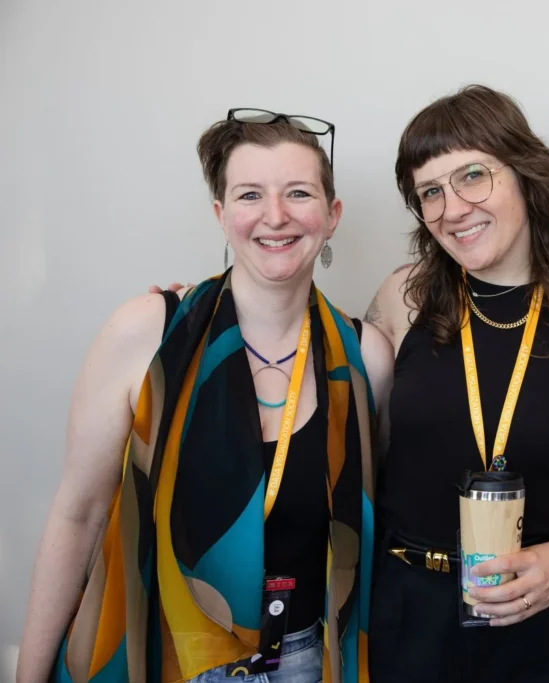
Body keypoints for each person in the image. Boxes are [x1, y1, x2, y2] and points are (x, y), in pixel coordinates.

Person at [16, 110, 393, 683]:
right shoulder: (150, 334)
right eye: (250, 195)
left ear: (332, 215)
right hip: (163, 652)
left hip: (310, 662)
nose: (275, 215)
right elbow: (78, 514)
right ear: (221, 215)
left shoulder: (366, 357)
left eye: (298, 192)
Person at [362, 84, 549, 682]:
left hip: (546, 623)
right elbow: (336, 412)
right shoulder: (402, 298)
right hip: (408, 616)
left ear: (525, 173)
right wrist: (205, 313)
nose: (452, 208)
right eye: (430, 192)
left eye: (472, 176)